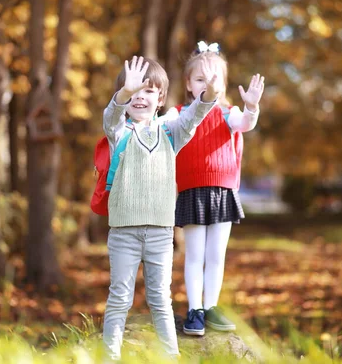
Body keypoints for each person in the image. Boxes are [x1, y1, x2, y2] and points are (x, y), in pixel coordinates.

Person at [101, 55, 219, 360]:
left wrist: (212, 91)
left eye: (148, 91)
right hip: (123, 233)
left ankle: (171, 357)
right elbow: (111, 116)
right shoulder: (120, 133)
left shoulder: (171, 132)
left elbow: (197, 113)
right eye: (134, 92)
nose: (140, 96)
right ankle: (109, 357)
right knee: (119, 299)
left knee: (160, 300)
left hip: (160, 233)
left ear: (161, 98)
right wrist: (123, 93)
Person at [164, 41, 265, 336]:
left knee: (216, 255)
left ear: (224, 83)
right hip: (192, 191)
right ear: (188, 84)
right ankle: (194, 309)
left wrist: (252, 106)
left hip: (222, 190)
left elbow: (245, 124)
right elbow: (168, 126)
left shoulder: (228, 112)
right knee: (195, 255)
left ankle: (211, 306)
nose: (207, 84)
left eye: (214, 79)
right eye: (199, 79)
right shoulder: (180, 113)